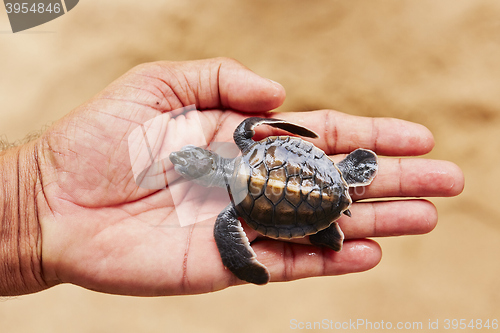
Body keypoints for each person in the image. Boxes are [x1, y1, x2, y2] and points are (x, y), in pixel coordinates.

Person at [0, 58, 464, 296]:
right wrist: (295, 134)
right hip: (295, 164)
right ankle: (337, 198)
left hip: (277, 194)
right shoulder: (247, 142)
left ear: (210, 173)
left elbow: (236, 242)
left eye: (192, 162)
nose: (191, 163)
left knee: (317, 233)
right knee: (324, 210)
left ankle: (328, 226)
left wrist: (33, 198)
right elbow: (264, 131)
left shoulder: (231, 214)